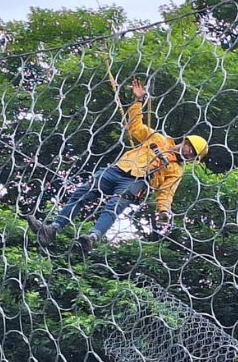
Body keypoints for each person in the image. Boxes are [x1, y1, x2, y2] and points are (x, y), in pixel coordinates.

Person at [26, 78, 208, 250]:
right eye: (190, 148)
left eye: (193, 154)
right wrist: (138, 101)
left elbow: (166, 192)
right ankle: (53, 228)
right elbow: (135, 127)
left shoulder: (176, 170)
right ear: (185, 142)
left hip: (136, 183)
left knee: (112, 208)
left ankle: (91, 238)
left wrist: (163, 211)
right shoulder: (158, 139)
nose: (189, 153)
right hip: (118, 169)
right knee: (81, 194)